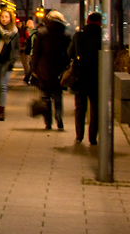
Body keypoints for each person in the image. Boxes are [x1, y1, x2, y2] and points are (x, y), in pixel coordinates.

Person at [32, 10, 72, 130]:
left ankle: (48, 122)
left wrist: (34, 69)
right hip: (59, 69)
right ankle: (59, 116)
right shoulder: (66, 34)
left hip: (43, 69)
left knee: (45, 97)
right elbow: (68, 53)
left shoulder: (42, 32)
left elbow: (36, 52)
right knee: (58, 96)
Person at [69, 12, 102, 144]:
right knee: (95, 107)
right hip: (96, 75)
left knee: (80, 106)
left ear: (87, 21)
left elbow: (69, 52)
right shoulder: (103, 36)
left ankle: (79, 135)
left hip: (81, 75)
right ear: (99, 22)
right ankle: (93, 137)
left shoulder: (79, 35)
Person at [20, 19, 35, 85]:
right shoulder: (28, 31)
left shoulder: (24, 30)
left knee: (27, 63)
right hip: (26, 49)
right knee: (28, 64)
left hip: (24, 49)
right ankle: (28, 77)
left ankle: (27, 77)